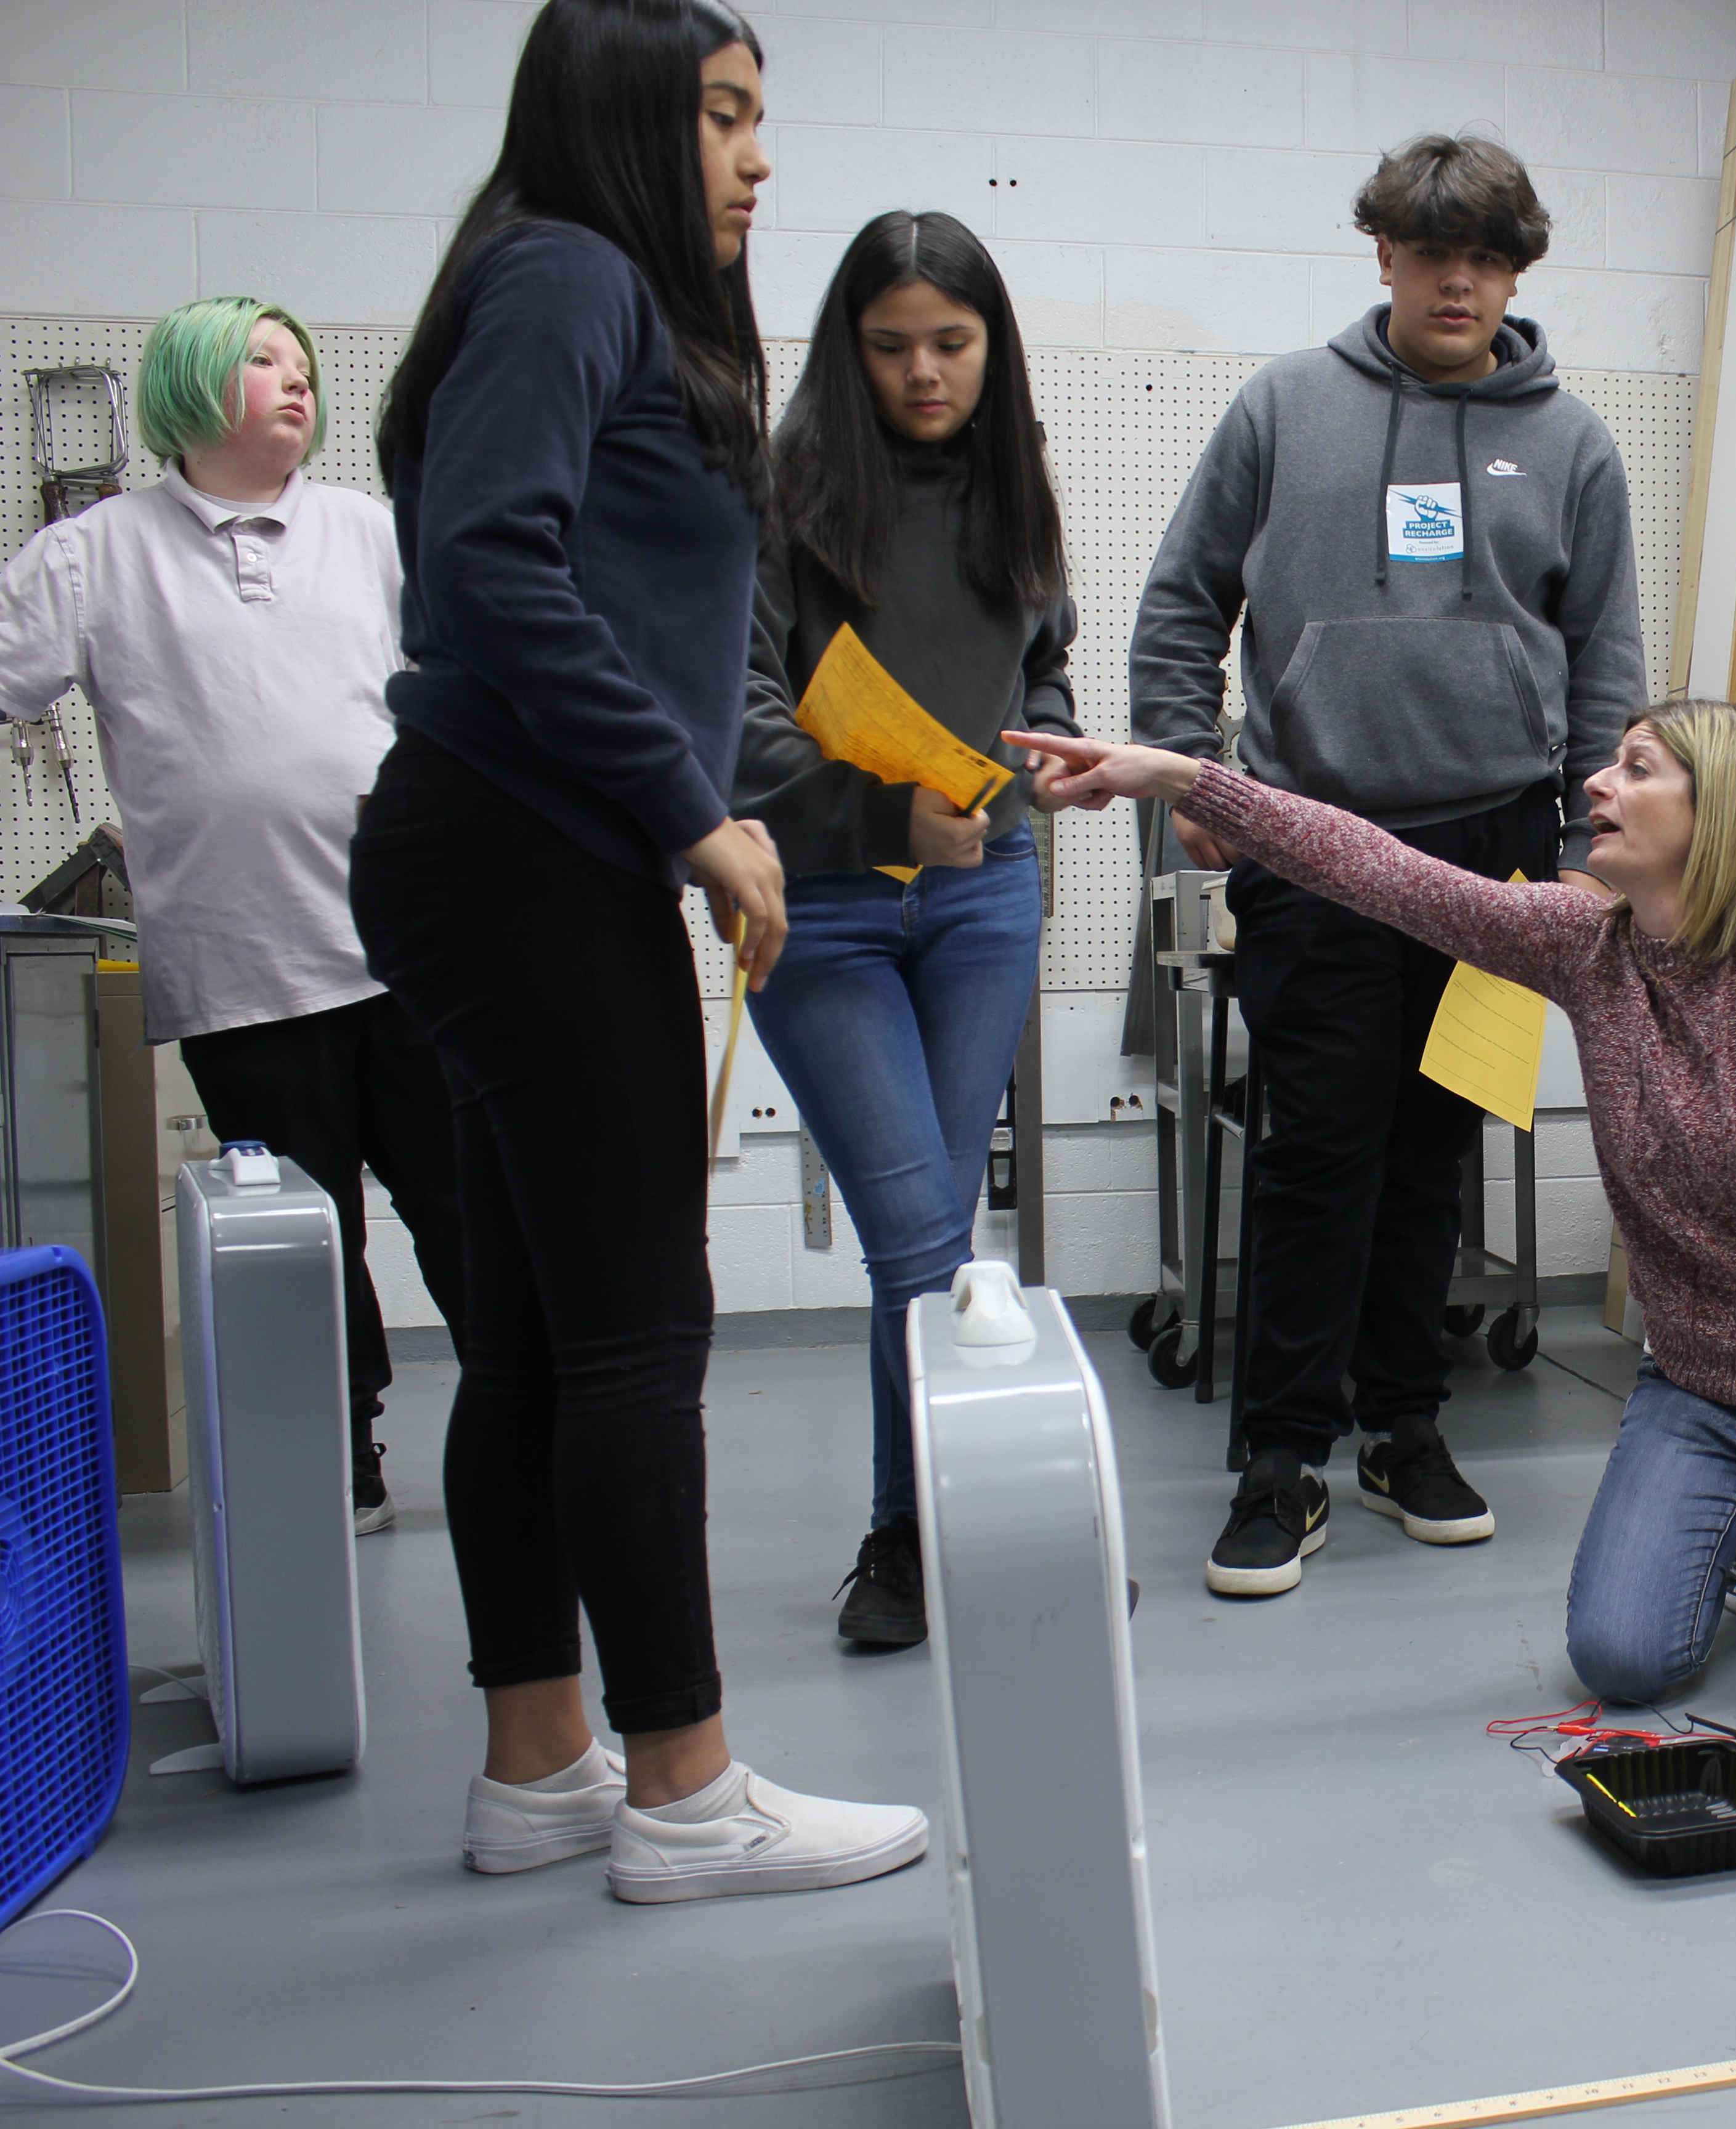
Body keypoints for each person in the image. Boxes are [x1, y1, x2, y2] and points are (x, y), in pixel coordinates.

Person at [348, 0, 925, 1901]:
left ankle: (541, 1767)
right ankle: (686, 1790)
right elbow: (491, 565)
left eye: (764, 118)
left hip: (501, 849)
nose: (760, 159)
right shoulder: (571, 273)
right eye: (727, 118)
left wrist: (684, 808)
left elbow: (568, 575)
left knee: (521, 1345)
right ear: (620, 118)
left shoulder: (561, 282)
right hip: (519, 853)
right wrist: (695, 815)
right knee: (633, 1339)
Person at [1013, 702, 1736, 1722]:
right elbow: (1377, 869)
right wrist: (1181, 781)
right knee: (1618, 1660)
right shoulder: (1586, 949)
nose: (1597, 786)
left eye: (1636, 769)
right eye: (1609, 765)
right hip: (1697, 1388)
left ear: (1723, 812)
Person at [1129, 132, 1647, 1597]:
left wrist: (1582, 856)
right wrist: (1191, 766)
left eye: (1489, 258)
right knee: (1320, 1151)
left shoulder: (1575, 444)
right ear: (1385, 257)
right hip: (1319, 840)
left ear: (1519, 270)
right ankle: (1281, 1460)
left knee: (1436, 1154)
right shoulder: (1287, 409)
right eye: (1434, 255)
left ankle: (1403, 1427)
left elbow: (1607, 661)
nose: (1461, 281)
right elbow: (1182, 600)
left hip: (1493, 856)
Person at [0, 296, 467, 1535]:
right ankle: (342, 1459)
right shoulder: (93, 555)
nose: (298, 381)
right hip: (242, 969)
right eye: (266, 362)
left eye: (305, 365)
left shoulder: (371, 534)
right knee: (307, 1249)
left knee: (469, 1208)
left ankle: (526, 1427)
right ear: (193, 387)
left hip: (405, 950)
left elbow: (473, 670)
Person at [732, 209, 1079, 1649]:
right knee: (922, 1238)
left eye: (954, 342)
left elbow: (1045, 667)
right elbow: (731, 726)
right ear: (845, 349)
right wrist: (882, 825)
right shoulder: (778, 497)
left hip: (988, 894)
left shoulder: (1019, 489)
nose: (926, 373)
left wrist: (1053, 750)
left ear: (993, 344)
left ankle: (914, 1535)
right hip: (820, 911)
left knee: (933, 1239)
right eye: (891, 348)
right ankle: (950, 1532)